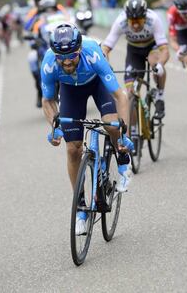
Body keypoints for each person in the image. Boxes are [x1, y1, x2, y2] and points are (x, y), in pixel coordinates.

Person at [41, 23, 133, 235]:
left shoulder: (93, 54)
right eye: (60, 57)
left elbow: (121, 96)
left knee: (111, 124)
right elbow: (48, 101)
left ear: (79, 50)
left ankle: (122, 161)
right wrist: (54, 126)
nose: (66, 61)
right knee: (73, 149)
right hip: (71, 91)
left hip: (97, 82)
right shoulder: (49, 63)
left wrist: (123, 133)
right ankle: (81, 209)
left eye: (71, 56)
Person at [102, 0, 170, 120]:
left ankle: (160, 96)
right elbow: (105, 48)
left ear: (145, 17)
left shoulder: (153, 19)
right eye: (132, 21)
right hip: (134, 51)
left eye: (138, 20)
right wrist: (106, 64)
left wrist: (160, 65)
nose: (135, 24)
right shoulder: (120, 22)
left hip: (152, 47)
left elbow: (164, 49)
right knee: (129, 95)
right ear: (126, 18)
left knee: (154, 61)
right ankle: (133, 133)